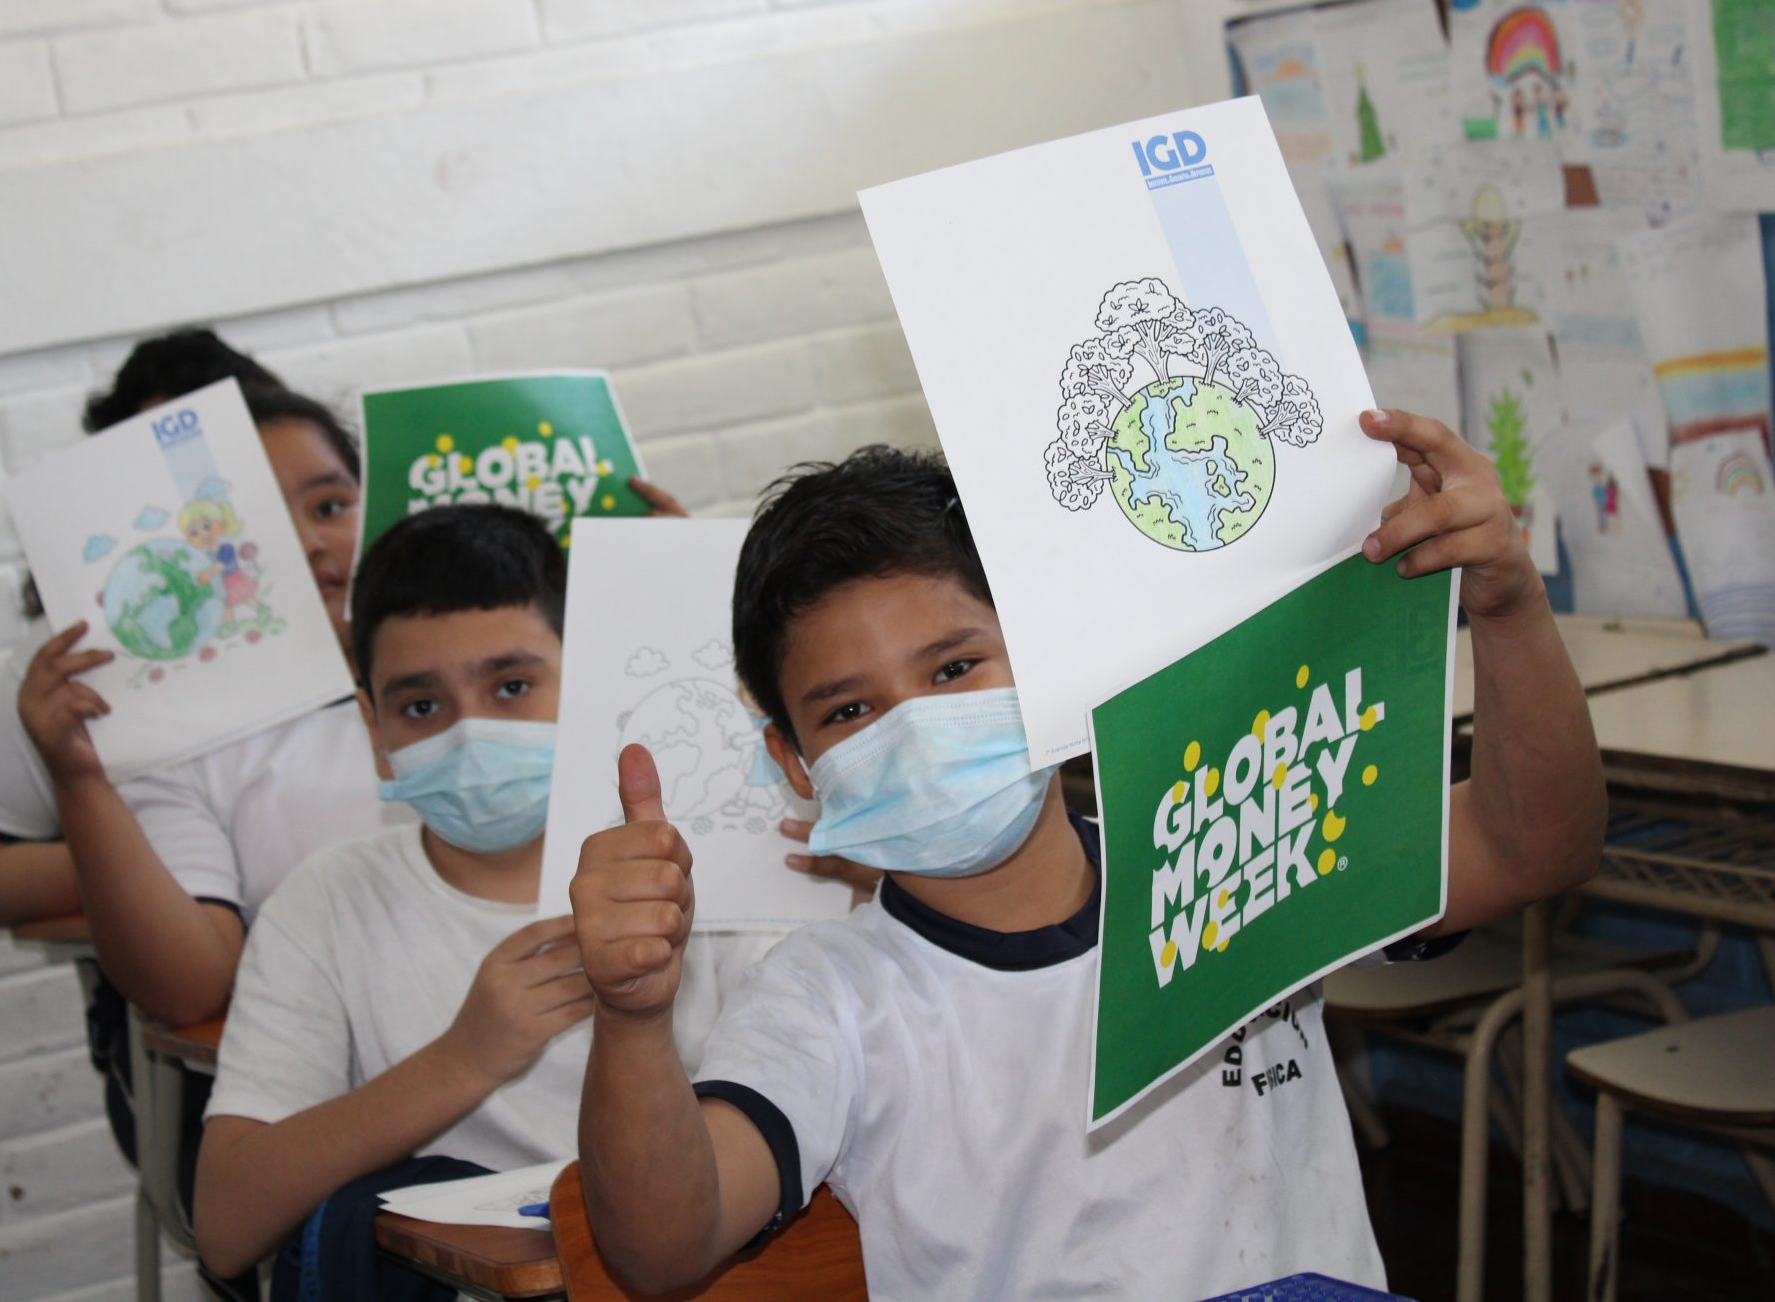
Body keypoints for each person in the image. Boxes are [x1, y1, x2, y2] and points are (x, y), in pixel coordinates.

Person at [567, 412, 1606, 1299]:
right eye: (849, 710)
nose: (915, 728)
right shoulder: (829, 998)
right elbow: (665, 1247)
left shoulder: (1227, 845)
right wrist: (631, 1015)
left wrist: (1506, 605)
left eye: (954, 668)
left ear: (1047, 658)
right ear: (795, 763)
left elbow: (1532, 849)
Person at [192, 505, 776, 1295]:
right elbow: (226, 1225)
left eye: (512, 686)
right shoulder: (327, 903)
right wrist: (464, 1058)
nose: (470, 732)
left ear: (588, 675)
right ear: (373, 728)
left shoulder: (696, 869)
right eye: (420, 706)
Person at [0, 328, 298, 929]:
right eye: (158, 461)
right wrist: (161, 856)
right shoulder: (75, 650)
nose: (190, 484)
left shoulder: (371, 604)